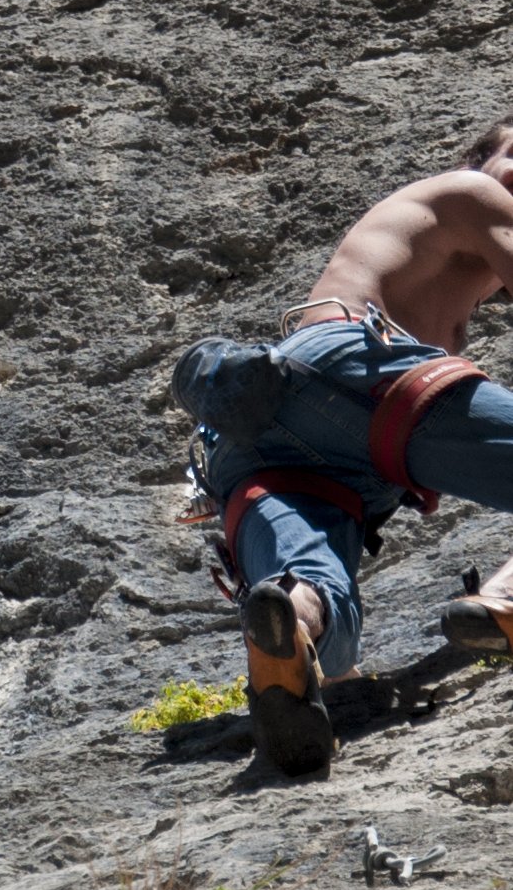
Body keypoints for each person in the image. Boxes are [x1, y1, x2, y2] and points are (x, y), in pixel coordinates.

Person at [173, 123, 513, 775]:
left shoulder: (440, 290)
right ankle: (502, 601)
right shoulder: (471, 192)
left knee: (323, 618)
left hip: (265, 440)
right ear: (480, 159)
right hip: (357, 379)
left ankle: (289, 627)